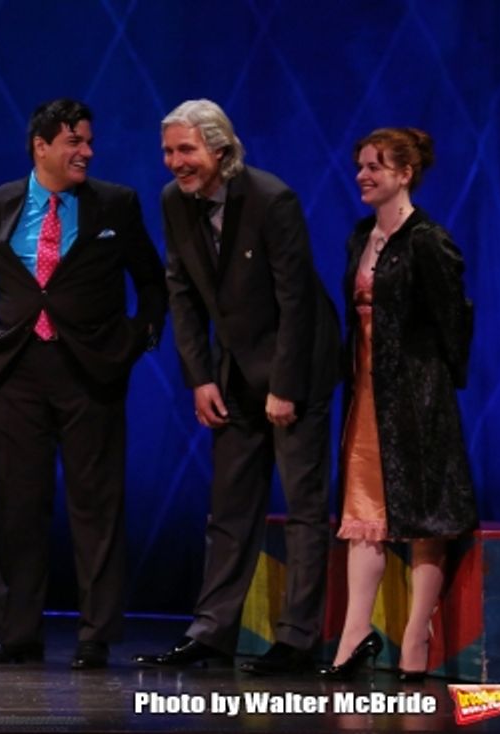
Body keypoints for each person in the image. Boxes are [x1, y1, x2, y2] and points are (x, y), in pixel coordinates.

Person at [0, 98, 168, 670]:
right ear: (41, 146)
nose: (87, 151)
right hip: (17, 372)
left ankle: (95, 635)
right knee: (19, 507)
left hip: (90, 372)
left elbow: (152, 282)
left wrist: (134, 343)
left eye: (89, 140)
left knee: (95, 507)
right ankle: (18, 634)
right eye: (74, 141)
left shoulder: (115, 204)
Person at [132, 99, 340, 675]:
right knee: (229, 508)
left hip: (295, 368)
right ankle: (211, 632)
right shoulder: (176, 202)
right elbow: (183, 293)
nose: (176, 162)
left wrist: (285, 385)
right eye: (169, 151)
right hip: (233, 374)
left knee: (302, 507)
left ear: (220, 150)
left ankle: (298, 639)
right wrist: (199, 378)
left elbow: (297, 301)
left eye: (187, 150)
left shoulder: (272, 199)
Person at [318, 129, 477, 682]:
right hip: (366, 392)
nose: (362, 174)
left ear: (404, 174)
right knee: (365, 516)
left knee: (423, 514)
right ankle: (354, 636)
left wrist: (434, 387)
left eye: (375, 166)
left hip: (416, 398)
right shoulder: (362, 235)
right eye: (359, 164)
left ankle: (415, 639)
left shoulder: (428, 240)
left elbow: (452, 321)